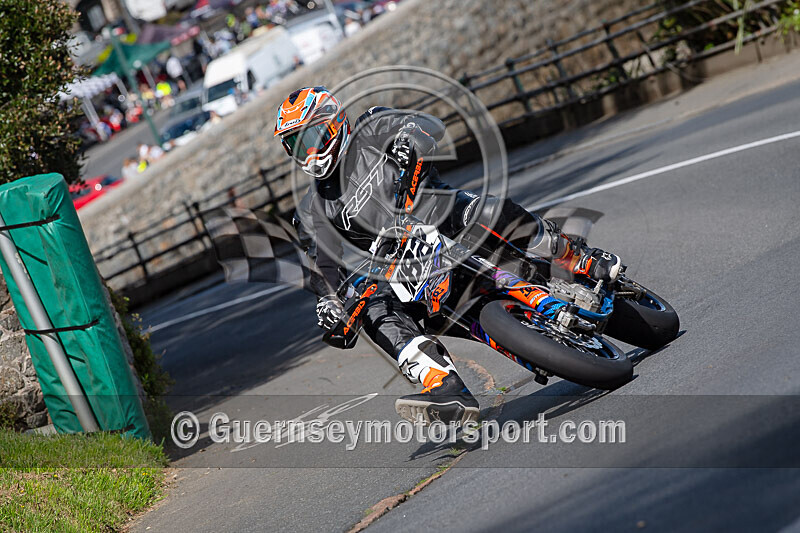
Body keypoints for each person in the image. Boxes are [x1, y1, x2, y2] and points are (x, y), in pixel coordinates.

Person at [275, 86, 622, 426]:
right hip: (401, 269)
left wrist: (408, 140)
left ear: (334, 123)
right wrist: (330, 301)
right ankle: (443, 385)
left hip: (440, 214)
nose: (305, 152)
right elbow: (323, 263)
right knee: (370, 310)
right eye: (294, 145)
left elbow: (425, 124)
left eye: (309, 138)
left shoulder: (371, 126)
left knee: (485, 211)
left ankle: (579, 258)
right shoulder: (310, 209)